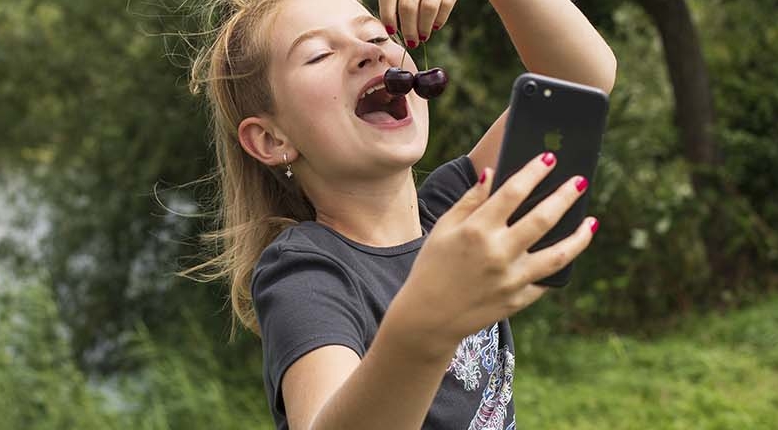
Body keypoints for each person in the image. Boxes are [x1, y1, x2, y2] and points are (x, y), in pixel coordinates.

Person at [183, 0, 615, 428]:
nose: (371, 51)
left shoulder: (452, 210)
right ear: (270, 139)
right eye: (318, 54)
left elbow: (579, 85)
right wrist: (428, 321)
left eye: (375, 35)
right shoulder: (305, 274)